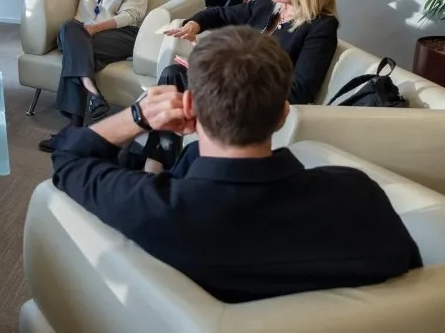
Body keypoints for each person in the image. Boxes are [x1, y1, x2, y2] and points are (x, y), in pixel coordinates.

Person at [52, 26, 421, 304]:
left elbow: (68, 156)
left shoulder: (156, 211)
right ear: (282, 115)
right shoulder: (359, 195)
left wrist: (138, 116)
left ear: (190, 108)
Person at [162, 0, 339, 106]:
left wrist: (236, 81)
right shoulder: (268, 3)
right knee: (174, 74)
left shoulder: (321, 27)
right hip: (230, 86)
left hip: (254, 101)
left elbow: (299, 92)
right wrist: (194, 25)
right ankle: (163, 140)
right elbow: (220, 14)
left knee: (174, 84)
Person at [38, 0, 148, 153]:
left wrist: (97, 28)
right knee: (69, 28)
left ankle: (73, 129)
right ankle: (93, 94)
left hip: (119, 33)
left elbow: (133, 14)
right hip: (80, 32)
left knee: (77, 51)